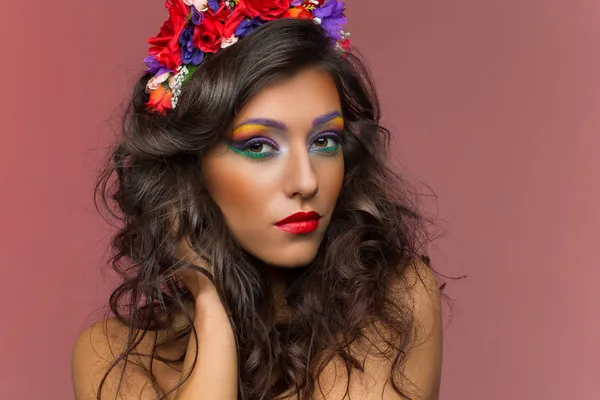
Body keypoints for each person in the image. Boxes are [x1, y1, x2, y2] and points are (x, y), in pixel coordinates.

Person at [71, 1, 445, 399]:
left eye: (324, 141)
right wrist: (211, 302)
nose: (305, 181)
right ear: (190, 166)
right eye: (260, 146)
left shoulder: (389, 302)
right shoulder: (111, 354)